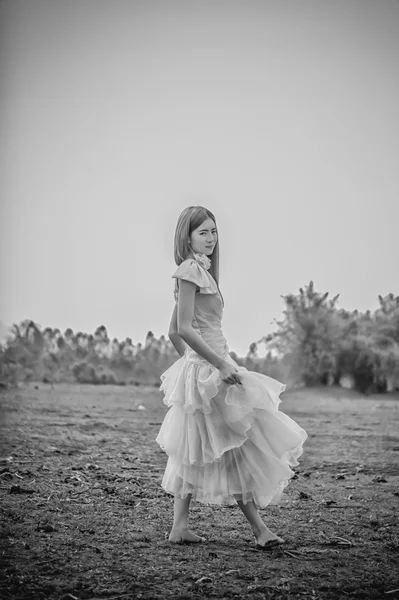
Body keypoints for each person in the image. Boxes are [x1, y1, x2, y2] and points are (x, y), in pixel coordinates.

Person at [155, 206, 308, 550]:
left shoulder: (200, 272)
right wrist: (213, 366)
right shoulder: (190, 271)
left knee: (197, 447)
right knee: (234, 446)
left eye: (213, 231)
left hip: (208, 367)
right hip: (213, 369)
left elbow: (173, 331)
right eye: (202, 233)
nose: (210, 239)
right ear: (187, 236)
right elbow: (181, 329)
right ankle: (260, 531)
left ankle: (180, 527)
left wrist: (194, 366)